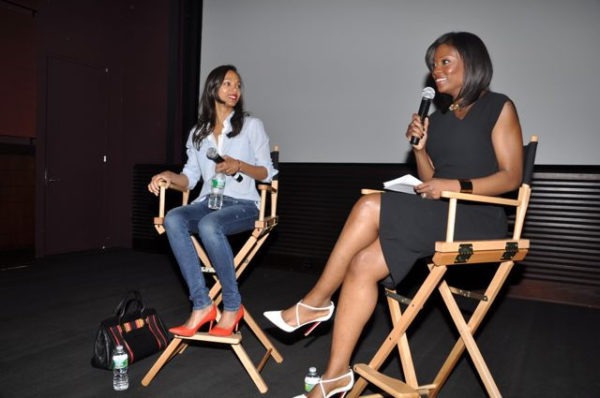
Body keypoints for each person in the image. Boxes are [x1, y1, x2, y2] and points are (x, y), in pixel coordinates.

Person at [263, 32, 523, 398]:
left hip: (479, 218)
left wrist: (455, 187)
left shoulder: (499, 107)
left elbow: (511, 177)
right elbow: (431, 181)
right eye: (433, 65)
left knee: (370, 205)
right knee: (362, 265)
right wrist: (420, 149)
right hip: (440, 215)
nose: (436, 71)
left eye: (445, 62)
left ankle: (315, 303)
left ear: (472, 62)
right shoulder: (440, 119)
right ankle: (335, 376)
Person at [149, 65, 277, 337]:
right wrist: (166, 176)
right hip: (208, 201)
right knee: (173, 218)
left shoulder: (251, 126)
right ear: (213, 88)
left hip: (243, 204)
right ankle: (202, 305)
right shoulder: (198, 133)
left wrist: (239, 164)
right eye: (228, 84)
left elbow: (266, 172)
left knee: (209, 225)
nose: (235, 90)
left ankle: (232, 306)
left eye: (238, 85)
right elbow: (189, 178)